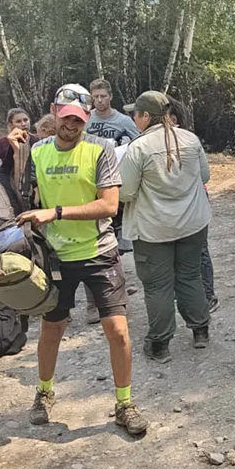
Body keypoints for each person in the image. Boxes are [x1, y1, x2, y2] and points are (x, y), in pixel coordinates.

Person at [16, 83, 147, 435]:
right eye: (66, 117)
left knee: (117, 331)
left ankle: (124, 403)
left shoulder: (101, 149)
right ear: (54, 111)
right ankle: (44, 393)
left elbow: (108, 205)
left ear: (87, 118)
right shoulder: (38, 151)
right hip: (56, 256)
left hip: (99, 251)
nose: (71, 125)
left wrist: (55, 213)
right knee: (52, 329)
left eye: (78, 119)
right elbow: (24, 199)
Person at [118, 91, 212, 363]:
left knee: (158, 286)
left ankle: (160, 344)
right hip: (193, 224)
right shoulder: (190, 139)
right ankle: (200, 331)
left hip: (153, 229)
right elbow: (204, 175)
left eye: (135, 113)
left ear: (146, 116)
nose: (133, 118)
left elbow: (125, 192)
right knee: (190, 275)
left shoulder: (138, 148)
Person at [83, 79, 137, 323]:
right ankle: (93, 303)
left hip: (117, 187)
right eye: (96, 97)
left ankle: (116, 291)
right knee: (91, 240)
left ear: (111, 96)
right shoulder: (86, 120)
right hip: (89, 187)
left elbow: (139, 145)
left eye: (103, 96)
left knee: (115, 242)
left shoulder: (124, 121)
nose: (100, 100)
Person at [168, 97, 219, 314]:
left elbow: (203, 176)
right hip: (189, 201)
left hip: (190, 200)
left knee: (197, 249)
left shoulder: (186, 141)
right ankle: (198, 295)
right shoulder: (189, 139)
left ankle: (205, 295)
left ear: (173, 119)